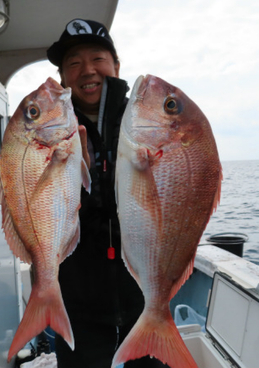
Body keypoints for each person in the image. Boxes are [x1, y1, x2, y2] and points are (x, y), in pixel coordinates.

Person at [46, 19, 169, 368]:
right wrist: (74, 180)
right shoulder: (49, 133)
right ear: (63, 77)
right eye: (73, 63)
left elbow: (172, 197)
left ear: (116, 65)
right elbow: (38, 210)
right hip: (77, 299)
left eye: (98, 58)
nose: (87, 70)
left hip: (142, 292)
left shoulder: (146, 120)